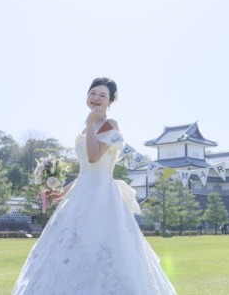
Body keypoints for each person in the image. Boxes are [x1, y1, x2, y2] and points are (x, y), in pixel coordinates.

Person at [12, 77, 176, 295]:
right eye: (93, 93)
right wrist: (60, 193)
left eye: (102, 95)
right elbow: (84, 173)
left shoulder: (110, 125)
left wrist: (91, 124)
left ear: (110, 102)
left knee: (104, 246)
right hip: (81, 193)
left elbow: (93, 157)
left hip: (103, 198)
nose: (96, 98)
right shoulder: (85, 127)